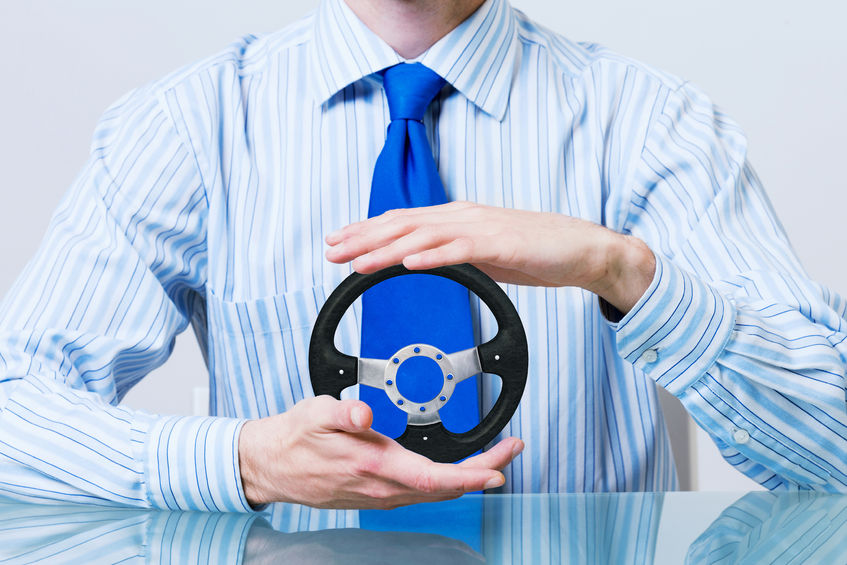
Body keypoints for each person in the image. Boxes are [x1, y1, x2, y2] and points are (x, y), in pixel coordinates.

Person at [1, 0, 846, 513]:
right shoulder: (189, 126)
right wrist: (241, 459)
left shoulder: (651, 124)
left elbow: (834, 447)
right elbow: (13, 414)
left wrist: (622, 270)